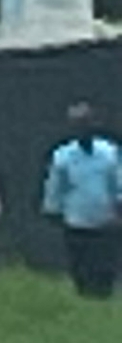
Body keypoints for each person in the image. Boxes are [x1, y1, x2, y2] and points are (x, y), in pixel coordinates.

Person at [47, 104, 122, 300]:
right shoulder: (62, 156)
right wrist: (53, 209)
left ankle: (104, 297)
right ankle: (84, 298)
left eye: (85, 123)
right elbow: (56, 187)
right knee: (81, 265)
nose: (82, 129)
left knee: (105, 265)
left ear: (94, 124)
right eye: (77, 125)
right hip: (76, 220)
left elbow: (117, 182)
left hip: (105, 220)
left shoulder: (108, 152)